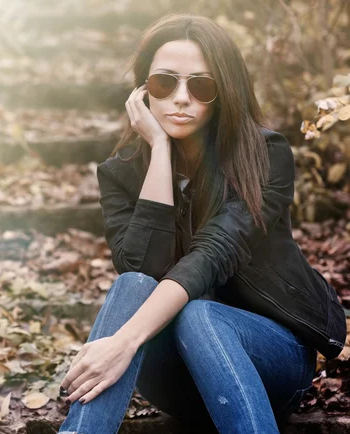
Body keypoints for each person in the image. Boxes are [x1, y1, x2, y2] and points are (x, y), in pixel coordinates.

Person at [55, 12, 347, 434]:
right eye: (164, 82)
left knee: (201, 315)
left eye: (201, 85)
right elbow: (142, 269)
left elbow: (212, 255)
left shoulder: (265, 156)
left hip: (272, 364)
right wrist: (158, 150)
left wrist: (123, 341)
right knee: (131, 285)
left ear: (224, 93)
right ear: (143, 90)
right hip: (174, 377)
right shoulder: (120, 173)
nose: (180, 98)